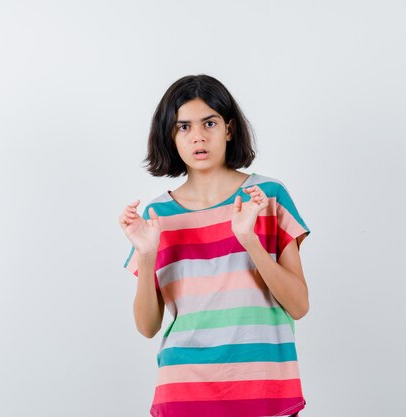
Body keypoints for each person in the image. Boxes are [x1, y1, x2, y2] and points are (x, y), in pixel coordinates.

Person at [118, 74, 311, 417]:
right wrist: (147, 256)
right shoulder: (157, 216)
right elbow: (147, 327)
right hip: (184, 390)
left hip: (264, 388)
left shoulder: (266, 197)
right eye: (184, 127)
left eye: (209, 122)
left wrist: (249, 240)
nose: (198, 137)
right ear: (170, 136)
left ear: (229, 129)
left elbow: (298, 305)